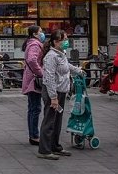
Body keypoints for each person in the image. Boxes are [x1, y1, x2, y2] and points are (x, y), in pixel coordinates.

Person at [37, 29, 83, 160]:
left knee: (57, 121)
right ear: (56, 42)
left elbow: (66, 66)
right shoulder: (51, 56)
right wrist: (53, 97)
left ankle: (54, 146)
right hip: (53, 92)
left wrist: (78, 71)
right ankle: (44, 150)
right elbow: (49, 77)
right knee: (49, 120)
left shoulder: (61, 54)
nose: (67, 42)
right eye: (65, 39)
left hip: (61, 91)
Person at [21, 25, 45, 146]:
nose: (43, 33)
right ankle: (34, 136)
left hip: (30, 78)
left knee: (32, 108)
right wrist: (40, 72)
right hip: (34, 81)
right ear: (35, 34)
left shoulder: (31, 43)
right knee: (35, 108)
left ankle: (33, 134)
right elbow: (31, 60)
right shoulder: (35, 45)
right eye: (41, 31)